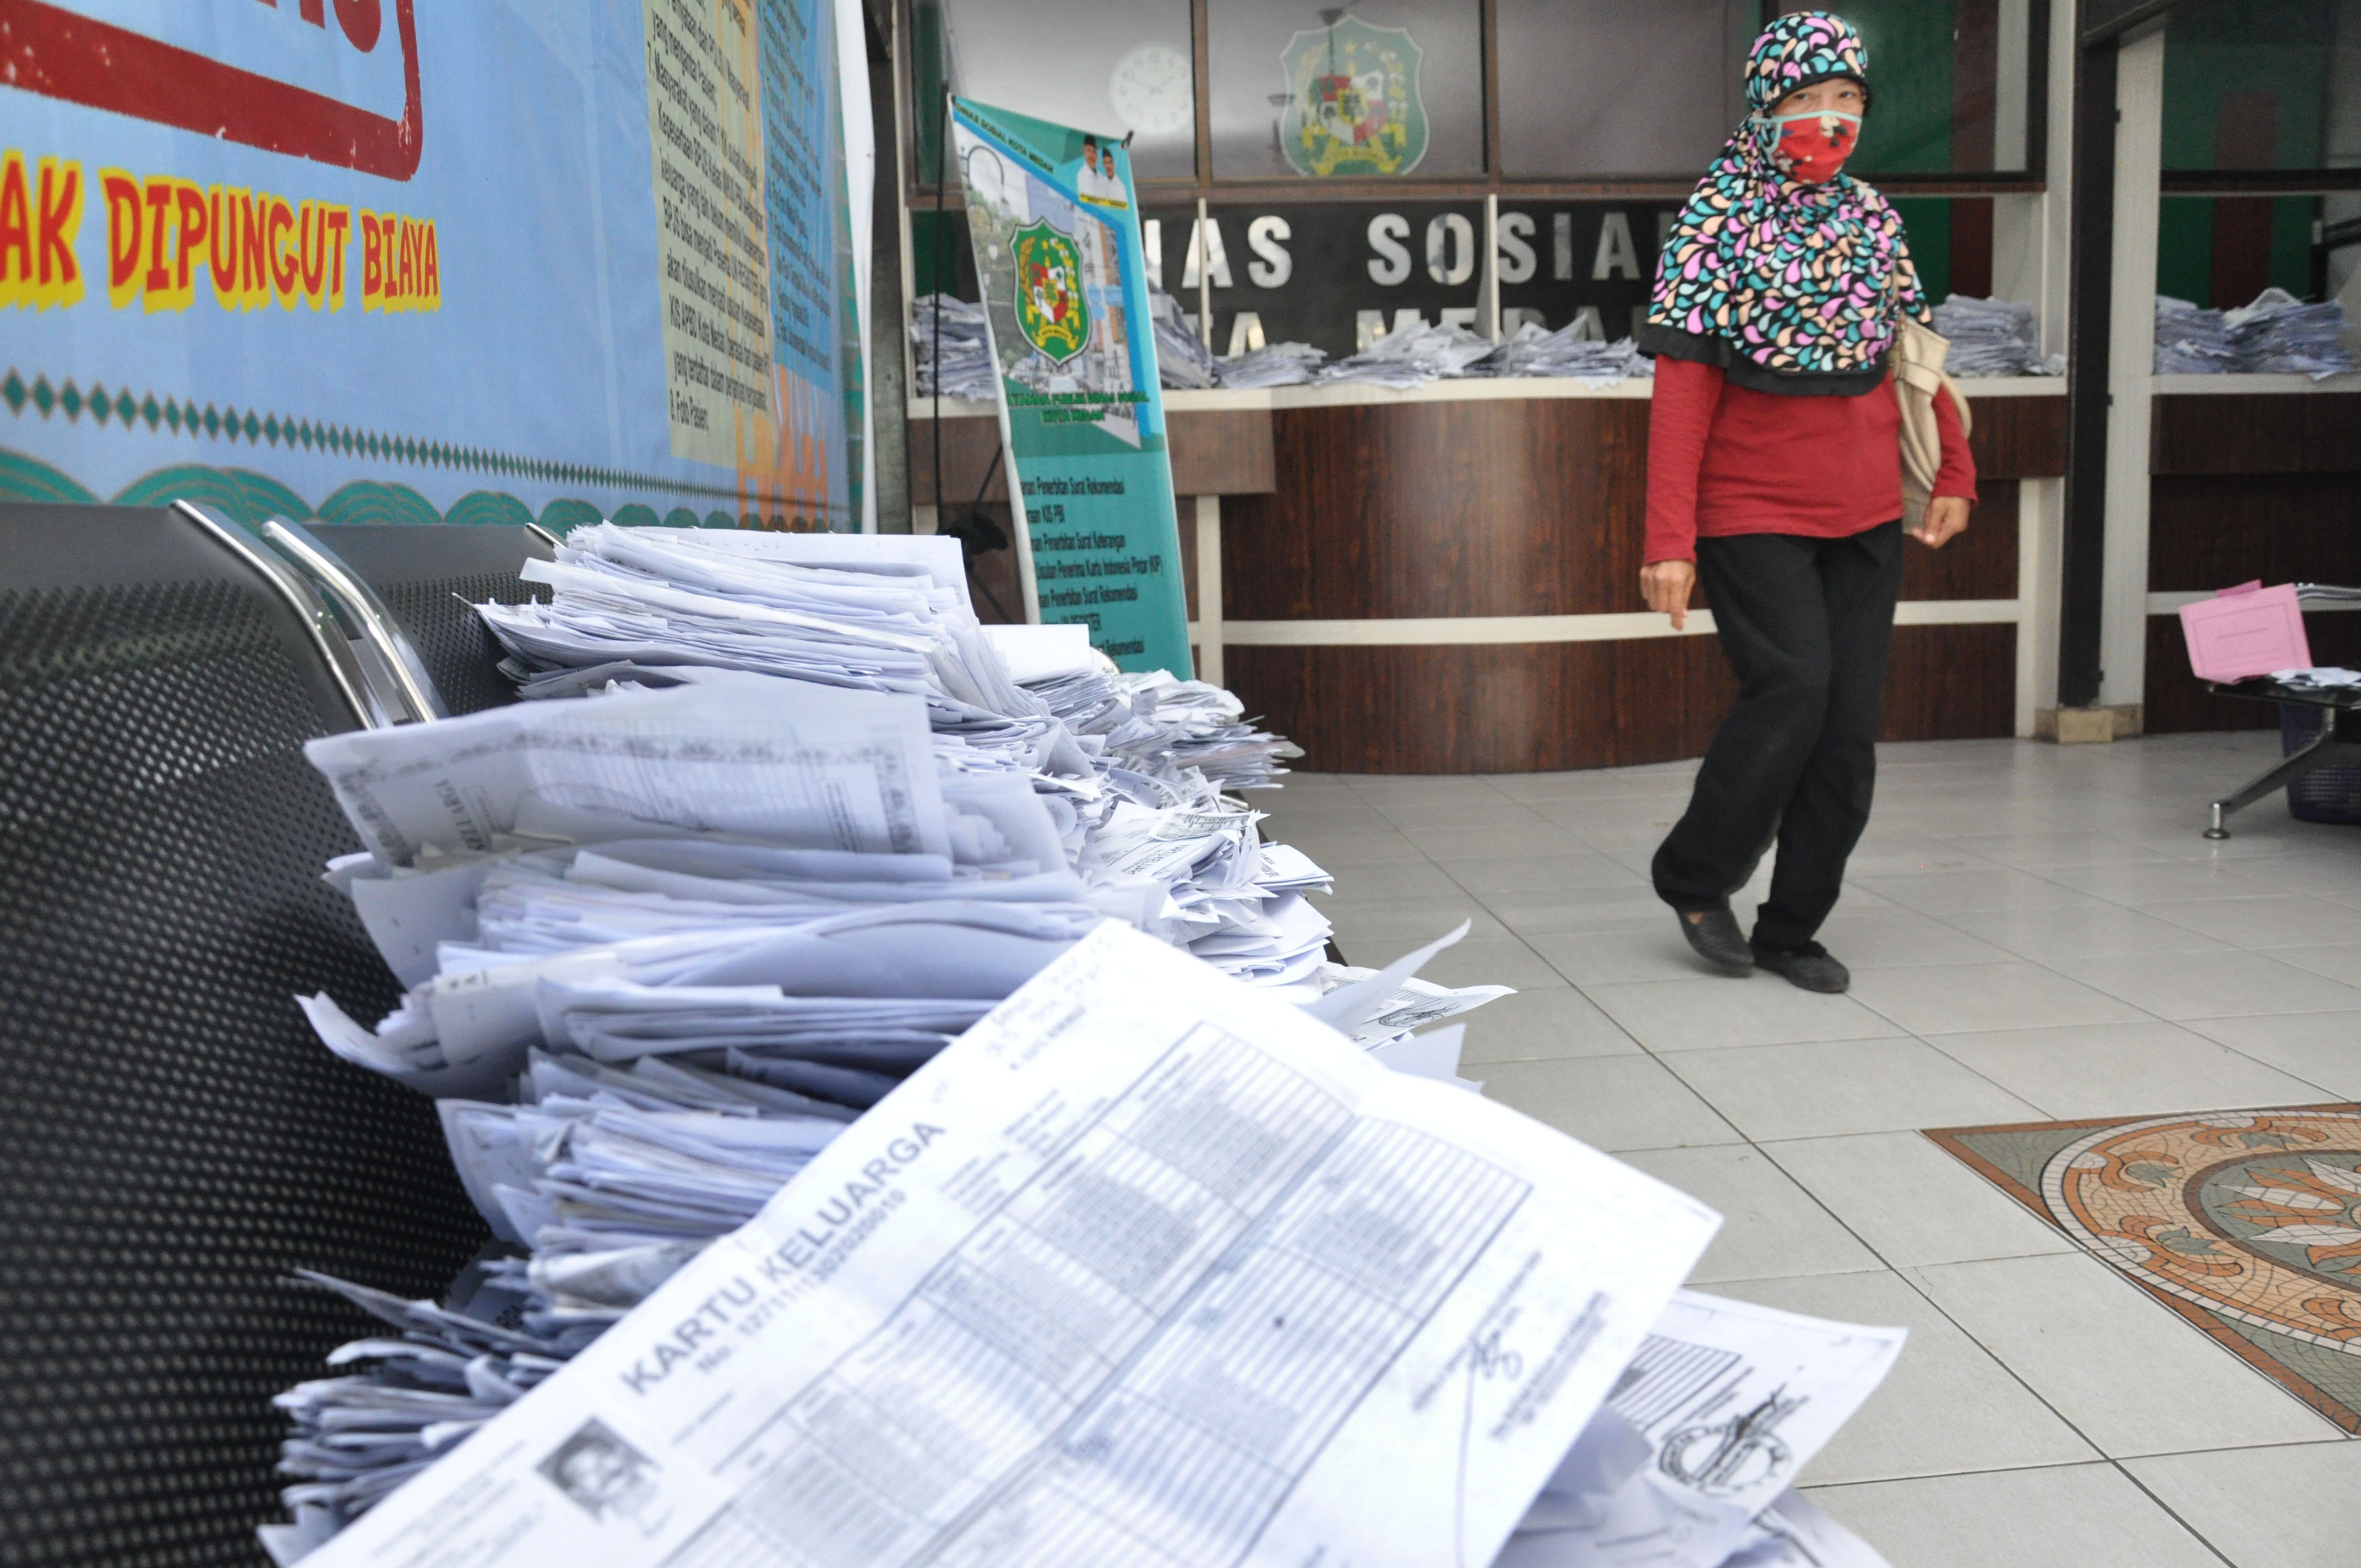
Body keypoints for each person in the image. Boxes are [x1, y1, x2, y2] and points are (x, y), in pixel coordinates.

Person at [1636, 12, 1976, 994]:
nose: (1829, 121)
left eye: (1849, 102)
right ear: (1764, 109)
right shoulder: (1717, 218)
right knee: (1792, 688)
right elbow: (1683, 388)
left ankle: (1793, 928)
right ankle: (1695, 877)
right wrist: (1669, 540)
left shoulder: (1871, 218)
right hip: (1750, 512)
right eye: (1806, 101)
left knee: (1848, 729)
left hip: (1867, 512)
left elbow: (1916, 356)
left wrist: (1953, 470)